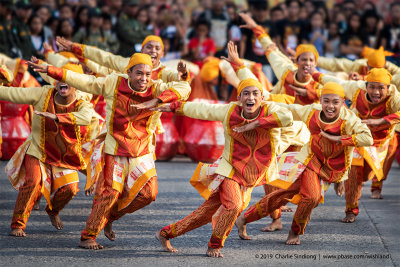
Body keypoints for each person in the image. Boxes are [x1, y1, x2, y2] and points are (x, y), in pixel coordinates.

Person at [28, 52, 191, 249]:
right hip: (115, 147)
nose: (144, 79)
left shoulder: (156, 88)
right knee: (110, 193)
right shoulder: (113, 83)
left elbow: (184, 88)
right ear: (128, 73)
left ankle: (110, 217)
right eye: (139, 74)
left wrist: (157, 100)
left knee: (149, 194)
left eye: (148, 74)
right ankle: (88, 236)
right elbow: (83, 80)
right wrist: (51, 70)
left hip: (142, 149)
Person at [154, 42, 293, 258]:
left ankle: (165, 234)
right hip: (229, 169)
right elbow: (202, 109)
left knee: (205, 213)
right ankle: (215, 244)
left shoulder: (271, 110)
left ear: (262, 97)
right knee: (234, 206)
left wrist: (255, 124)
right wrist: (174, 106)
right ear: (239, 98)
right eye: (245, 94)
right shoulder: (230, 111)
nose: (250, 98)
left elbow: (287, 117)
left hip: (253, 173)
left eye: (255, 94)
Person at [235, 81, 373, 245]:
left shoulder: (350, 120)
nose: (330, 106)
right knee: (312, 197)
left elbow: (367, 138)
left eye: (335, 102)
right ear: (320, 101)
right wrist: (259, 103)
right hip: (311, 162)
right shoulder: (310, 112)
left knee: (283, 194)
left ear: (343, 103)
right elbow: (288, 109)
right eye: (326, 101)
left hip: (334, 169)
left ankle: (244, 218)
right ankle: (295, 231)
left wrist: (339, 139)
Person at [2, 64, 94, 237]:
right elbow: (12, 94)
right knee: (33, 181)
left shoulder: (82, 101)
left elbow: (86, 118)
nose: (62, 81)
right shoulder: (42, 93)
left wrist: (57, 117)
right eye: (58, 77)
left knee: (71, 189)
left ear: (77, 83)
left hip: (63, 155)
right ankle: (18, 224)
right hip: (38, 149)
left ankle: (53, 211)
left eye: (68, 78)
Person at [312, 68, 400, 222]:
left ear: (388, 88)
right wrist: (312, 72)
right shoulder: (356, 89)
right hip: (356, 138)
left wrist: (381, 121)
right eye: (372, 87)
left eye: (381, 88)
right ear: (366, 85)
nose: (376, 92)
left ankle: (352, 180)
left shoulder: (394, 98)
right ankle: (351, 210)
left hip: (378, 144)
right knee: (354, 173)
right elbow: (333, 81)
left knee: (367, 175)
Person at [239, 13, 321, 105]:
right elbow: (270, 50)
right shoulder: (286, 71)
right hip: (279, 113)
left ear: (315, 64)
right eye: (304, 60)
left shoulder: (319, 83)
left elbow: (335, 94)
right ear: (296, 61)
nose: (307, 63)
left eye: (311, 60)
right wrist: (256, 28)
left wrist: (310, 93)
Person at [56, 35, 189, 83]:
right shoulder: (127, 64)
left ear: (163, 53)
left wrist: (183, 75)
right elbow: (104, 57)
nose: (153, 51)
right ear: (141, 50)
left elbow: (177, 78)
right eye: (149, 47)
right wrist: (75, 48)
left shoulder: (163, 72)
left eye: (157, 48)